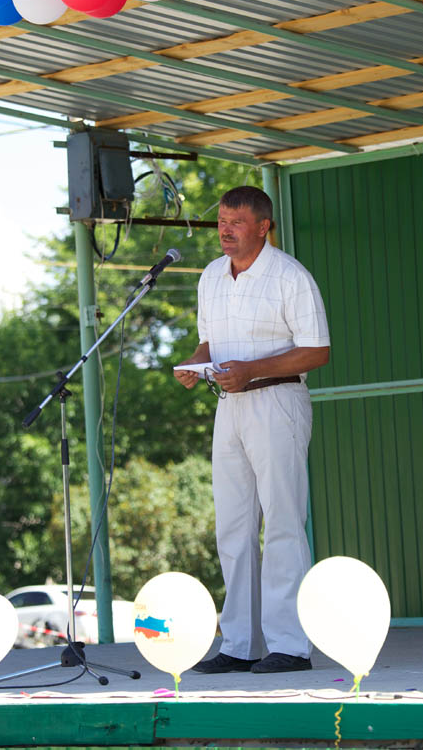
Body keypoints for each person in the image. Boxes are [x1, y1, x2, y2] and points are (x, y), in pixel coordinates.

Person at [175, 186, 330, 675]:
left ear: (264, 226)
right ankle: (240, 644)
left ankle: (290, 646)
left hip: (278, 401)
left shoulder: (290, 276)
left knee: (282, 521)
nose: (225, 230)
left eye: (236, 222)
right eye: (222, 221)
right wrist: (194, 363)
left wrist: (252, 370)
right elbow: (209, 342)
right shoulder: (210, 276)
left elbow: (318, 351)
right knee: (233, 524)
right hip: (229, 405)